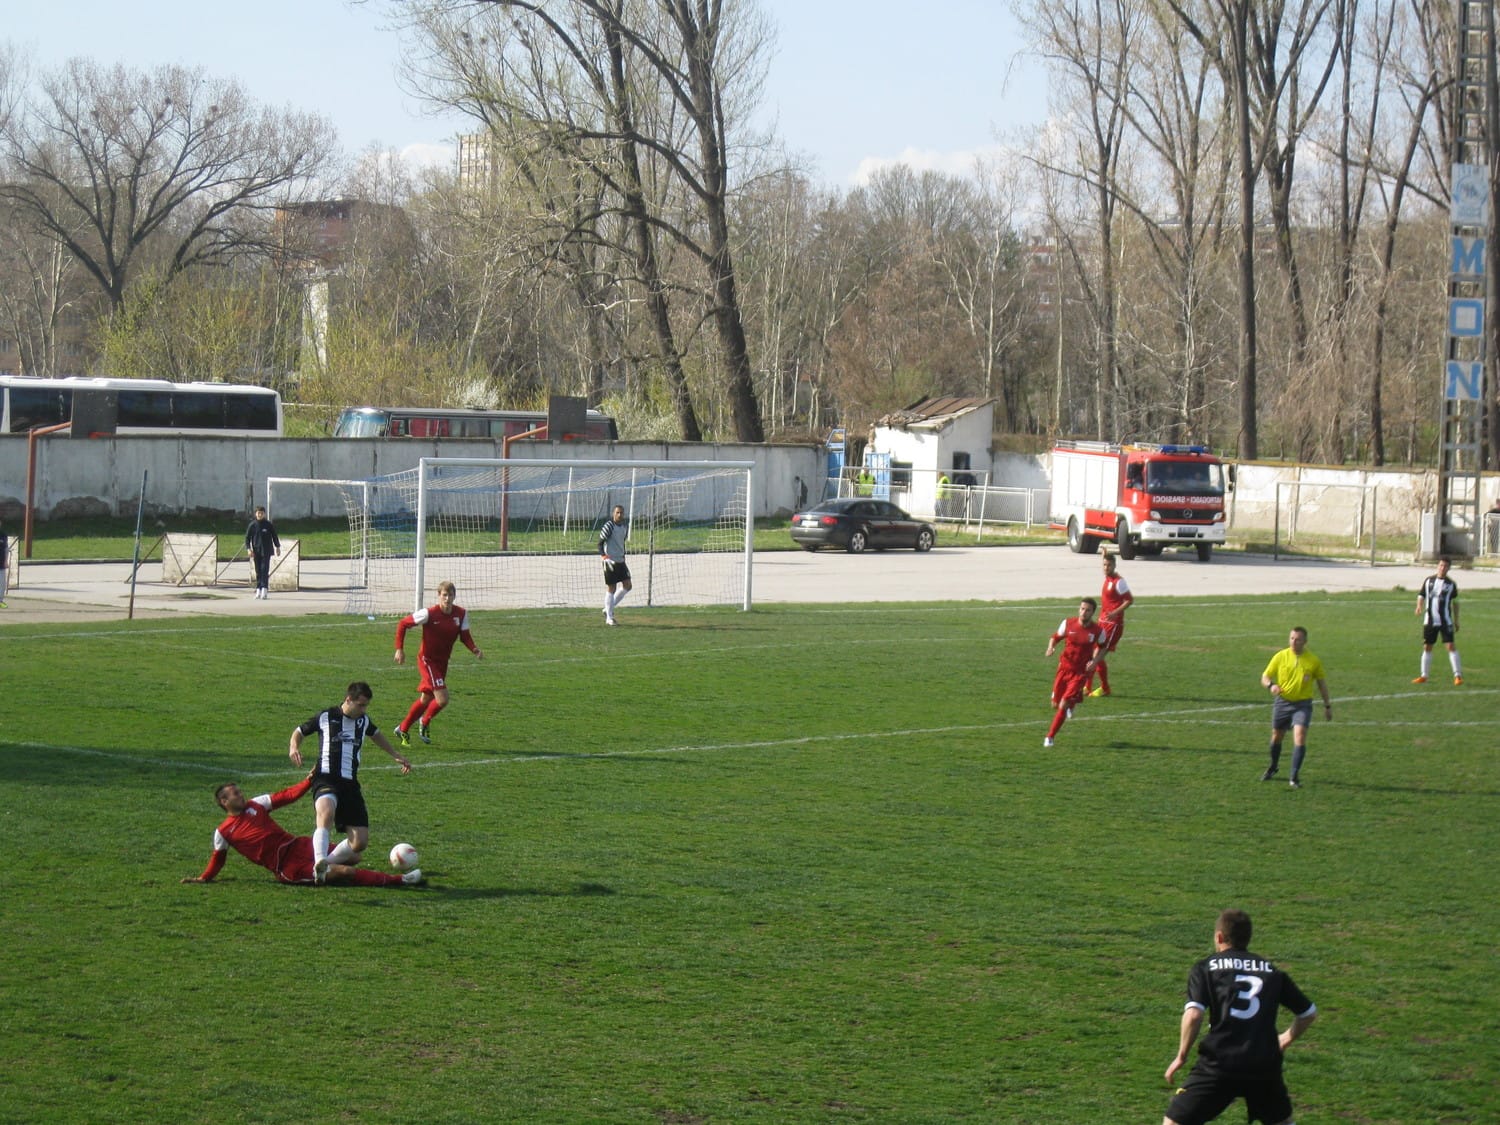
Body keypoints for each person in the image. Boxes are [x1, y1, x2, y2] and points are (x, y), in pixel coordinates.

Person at [1163, 908, 1317, 1125]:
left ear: (1219, 937)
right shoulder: (1272, 972)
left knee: (1174, 1123)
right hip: (1263, 1066)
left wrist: (1181, 1056)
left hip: (1219, 1064)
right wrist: (1285, 1038)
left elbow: (1194, 1015)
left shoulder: (1205, 968)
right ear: (1248, 938)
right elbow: (1308, 1013)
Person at [182, 771, 423, 887]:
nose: (241, 794)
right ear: (224, 802)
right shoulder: (223, 832)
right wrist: (204, 878)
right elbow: (218, 859)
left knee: (356, 856)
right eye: (235, 794)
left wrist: (310, 780)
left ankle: (324, 867)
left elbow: (286, 796)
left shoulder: (256, 805)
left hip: (299, 845)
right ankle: (399, 880)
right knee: (345, 872)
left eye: (239, 791)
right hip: (288, 866)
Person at [288, 681, 411, 883]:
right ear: (348, 700)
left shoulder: (363, 721)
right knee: (326, 813)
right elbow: (300, 731)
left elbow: (376, 734)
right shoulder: (326, 717)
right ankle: (319, 860)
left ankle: (323, 865)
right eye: (361, 705)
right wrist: (294, 747)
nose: (363, 710)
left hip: (350, 783)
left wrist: (395, 754)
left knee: (359, 843)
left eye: (366, 706)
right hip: (325, 777)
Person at [393, 580, 483, 745]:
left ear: (455, 596)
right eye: (444, 595)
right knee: (442, 699)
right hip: (427, 660)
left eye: (450, 595)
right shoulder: (429, 613)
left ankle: (403, 728)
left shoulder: (461, 614)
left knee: (426, 699)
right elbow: (403, 624)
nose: (447, 599)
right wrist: (399, 649)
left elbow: (465, 636)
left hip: (442, 662)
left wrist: (474, 649)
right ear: (439, 596)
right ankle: (425, 721)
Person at [1259, 626, 1331, 789]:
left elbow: (1321, 684)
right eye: (1291, 638)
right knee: (1277, 737)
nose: (1294, 642)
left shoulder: (1313, 661)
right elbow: (1265, 676)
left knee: (1300, 735)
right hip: (1282, 702)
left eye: (1298, 639)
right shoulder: (1281, 656)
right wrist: (1271, 686)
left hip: (1302, 705)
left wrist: (1327, 706)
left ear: (1305, 642)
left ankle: (1293, 776)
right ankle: (1273, 766)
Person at [1043, 596, 1103, 747]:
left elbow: (1103, 647)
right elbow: (1055, 637)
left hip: (1080, 673)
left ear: (1093, 613)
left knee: (1063, 703)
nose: (1084, 612)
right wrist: (1051, 647)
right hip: (1064, 669)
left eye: (1088, 610)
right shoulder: (1068, 624)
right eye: (1082, 609)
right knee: (1055, 704)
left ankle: (1050, 737)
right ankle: (1072, 702)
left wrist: (1095, 661)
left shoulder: (1097, 631)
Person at [1089, 552, 1134, 697]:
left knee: (1097, 656)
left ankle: (1105, 688)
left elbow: (1129, 600)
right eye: (1104, 565)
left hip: (1113, 625)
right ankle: (1087, 687)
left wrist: (1115, 612)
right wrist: (1104, 553)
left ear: (1114, 566)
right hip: (1102, 622)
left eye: (1109, 565)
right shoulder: (1107, 578)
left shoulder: (1119, 582)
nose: (1106, 567)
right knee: (1092, 654)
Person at [1413, 557, 1462, 685]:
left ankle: (1457, 676)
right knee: (1427, 646)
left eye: (1445, 566)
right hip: (1430, 620)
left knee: (1450, 646)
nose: (1442, 568)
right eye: (1441, 565)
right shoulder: (1429, 581)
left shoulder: (1451, 584)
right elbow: (1421, 594)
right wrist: (1419, 606)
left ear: (1448, 568)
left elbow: (1455, 602)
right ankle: (1424, 676)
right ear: (1437, 566)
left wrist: (1456, 620)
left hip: (1445, 621)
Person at [599, 504, 632, 626]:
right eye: (617, 512)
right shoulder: (609, 526)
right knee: (611, 588)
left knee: (628, 585)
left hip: (620, 560)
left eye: (621, 513)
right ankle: (609, 617)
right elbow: (600, 543)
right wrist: (604, 556)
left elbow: (622, 543)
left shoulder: (624, 526)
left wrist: (623, 556)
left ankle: (607, 608)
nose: (619, 515)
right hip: (610, 561)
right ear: (613, 513)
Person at [243, 504, 280, 600]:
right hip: (256, 552)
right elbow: (247, 538)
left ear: (264, 514)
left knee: (264, 570)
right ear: (256, 514)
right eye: (258, 513)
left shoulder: (268, 525)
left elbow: (274, 536)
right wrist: (248, 549)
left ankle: (264, 590)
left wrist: (277, 547)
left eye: (262, 513)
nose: (260, 515)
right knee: (258, 571)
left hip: (266, 551)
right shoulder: (252, 525)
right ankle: (258, 589)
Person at [0, 518, 8, 609]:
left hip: (1, 563)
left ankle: (0, 601)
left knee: (2, 584)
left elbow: (6, 549)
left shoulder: (3, 535)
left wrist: (6, 561)